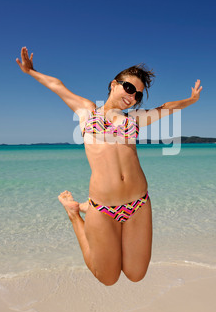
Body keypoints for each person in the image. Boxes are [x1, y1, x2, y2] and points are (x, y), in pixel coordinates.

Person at [16, 47, 202, 286]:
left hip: (138, 203)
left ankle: (81, 209)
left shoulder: (132, 119)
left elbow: (166, 108)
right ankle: (75, 213)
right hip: (102, 207)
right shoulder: (87, 112)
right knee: (108, 278)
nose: (132, 96)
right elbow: (58, 85)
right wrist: (32, 72)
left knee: (136, 275)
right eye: (129, 88)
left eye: (137, 95)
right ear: (114, 84)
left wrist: (191, 100)